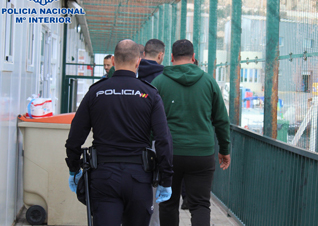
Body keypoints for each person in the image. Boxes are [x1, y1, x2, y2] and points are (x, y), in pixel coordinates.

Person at [65, 39, 173, 226]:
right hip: (139, 177)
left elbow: (75, 136)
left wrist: (74, 169)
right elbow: (163, 139)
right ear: (138, 61)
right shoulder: (149, 94)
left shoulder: (96, 92)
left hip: (104, 176)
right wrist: (166, 178)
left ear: (113, 61)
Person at [152, 39, 231, 226]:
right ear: (194, 57)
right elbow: (221, 120)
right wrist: (224, 149)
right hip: (201, 153)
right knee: (200, 204)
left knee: (168, 203)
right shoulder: (209, 82)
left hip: (169, 153)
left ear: (171, 57)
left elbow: (148, 120)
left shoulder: (159, 82)